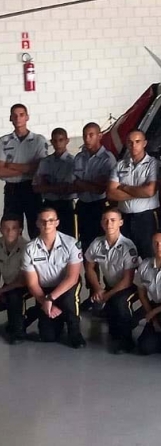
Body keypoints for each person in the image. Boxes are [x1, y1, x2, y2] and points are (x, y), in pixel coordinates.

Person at [21, 208, 86, 348]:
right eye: (43, 221)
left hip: (67, 285)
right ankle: (42, 311)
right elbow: (32, 284)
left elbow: (72, 278)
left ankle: (75, 332)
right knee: (47, 337)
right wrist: (44, 301)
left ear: (57, 222)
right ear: (37, 223)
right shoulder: (29, 248)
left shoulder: (71, 244)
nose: (47, 224)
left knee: (69, 301)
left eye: (51, 220)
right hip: (44, 289)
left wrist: (50, 299)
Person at [83, 207, 139, 354]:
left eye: (113, 220)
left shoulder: (128, 246)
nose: (109, 224)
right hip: (110, 286)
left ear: (120, 222)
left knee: (120, 303)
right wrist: (97, 288)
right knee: (113, 329)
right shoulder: (97, 243)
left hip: (130, 287)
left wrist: (107, 295)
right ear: (101, 223)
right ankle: (117, 332)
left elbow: (128, 280)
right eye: (106, 220)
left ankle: (128, 342)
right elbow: (89, 266)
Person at [107, 130, 159, 260]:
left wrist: (123, 187)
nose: (134, 145)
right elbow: (111, 193)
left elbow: (149, 191)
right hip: (124, 218)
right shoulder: (120, 165)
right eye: (130, 142)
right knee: (125, 259)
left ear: (144, 143)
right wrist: (140, 192)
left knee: (149, 258)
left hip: (145, 218)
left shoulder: (153, 163)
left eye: (137, 142)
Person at [0, 104, 48, 238]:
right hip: (12, 189)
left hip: (32, 188)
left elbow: (39, 168)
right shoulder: (3, 141)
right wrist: (27, 169)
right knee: (11, 228)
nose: (18, 118)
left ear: (27, 117)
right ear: (10, 118)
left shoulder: (38, 140)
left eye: (21, 115)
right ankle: (14, 258)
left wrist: (9, 165)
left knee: (36, 227)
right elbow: (1, 171)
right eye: (14, 115)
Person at [73, 122, 116, 253]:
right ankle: (90, 273)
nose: (87, 139)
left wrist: (83, 183)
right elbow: (74, 184)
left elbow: (102, 188)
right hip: (83, 206)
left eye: (91, 135)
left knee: (102, 243)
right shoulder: (79, 158)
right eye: (85, 135)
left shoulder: (107, 159)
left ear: (99, 136)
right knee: (85, 244)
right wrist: (91, 184)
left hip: (100, 205)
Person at [33, 128, 77, 238]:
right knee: (46, 235)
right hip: (49, 203)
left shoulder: (73, 162)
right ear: (51, 142)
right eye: (55, 140)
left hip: (66, 205)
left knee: (67, 237)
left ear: (67, 141)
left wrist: (47, 186)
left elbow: (68, 188)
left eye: (61, 140)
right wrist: (58, 187)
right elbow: (36, 187)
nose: (58, 143)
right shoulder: (45, 162)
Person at [0, 214, 29, 344]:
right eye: (6, 228)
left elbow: (22, 281)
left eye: (14, 228)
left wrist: (2, 290)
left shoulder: (27, 247)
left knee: (13, 296)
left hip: (26, 285)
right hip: (7, 284)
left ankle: (18, 331)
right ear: (1, 229)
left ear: (20, 230)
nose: (9, 231)